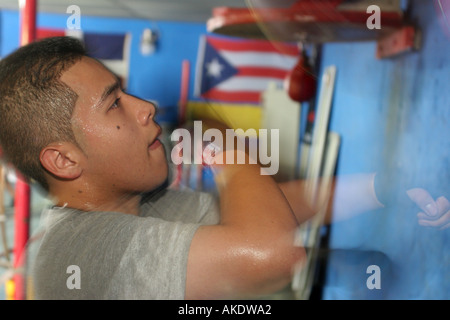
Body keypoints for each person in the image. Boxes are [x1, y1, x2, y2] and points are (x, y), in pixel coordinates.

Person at [0, 37, 447, 300]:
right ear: (63, 160)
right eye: (114, 103)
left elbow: (272, 212)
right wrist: (224, 145)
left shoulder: (141, 204)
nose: (145, 108)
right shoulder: (74, 256)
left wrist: (385, 187)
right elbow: (274, 254)